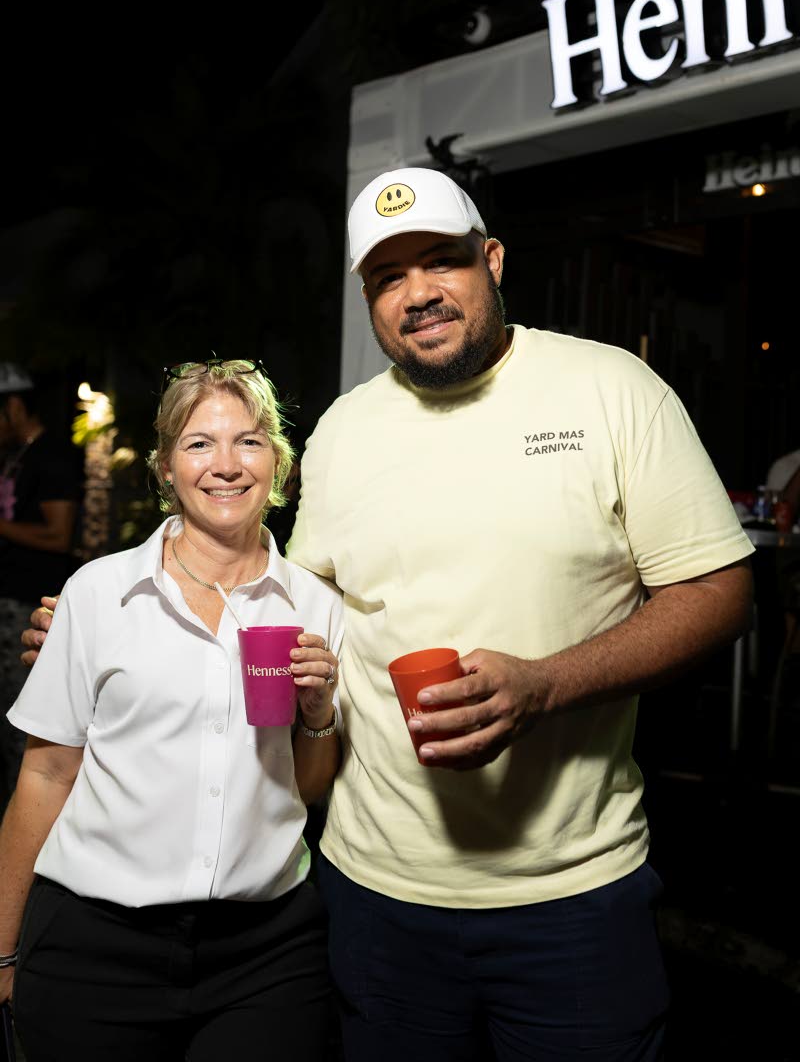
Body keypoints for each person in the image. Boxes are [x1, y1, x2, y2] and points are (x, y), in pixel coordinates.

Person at [23, 171, 755, 1061]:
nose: (419, 294)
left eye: (441, 261)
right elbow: (283, 606)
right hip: (374, 895)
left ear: (491, 261)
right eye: (387, 277)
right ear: (370, 300)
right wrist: (100, 621)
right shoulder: (342, 431)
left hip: (570, 895)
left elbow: (718, 593)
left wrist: (545, 684)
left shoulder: (612, 390)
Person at [2, 359, 343, 1061]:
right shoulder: (97, 595)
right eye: (198, 444)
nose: (226, 465)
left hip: (265, 955)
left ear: (278, 462)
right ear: (166, 468)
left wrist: (316, 710)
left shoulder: (316, 607)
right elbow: (44, 778)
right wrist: (2, 951)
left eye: (248, 441)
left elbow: (305, 789)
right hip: (94, 948)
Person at [0, 364, 80, 810]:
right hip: (7, 601)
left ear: (14, 406)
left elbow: (59, 534)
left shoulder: (51, 456)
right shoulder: (16, 455)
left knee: (24, 723)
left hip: (30, 602)